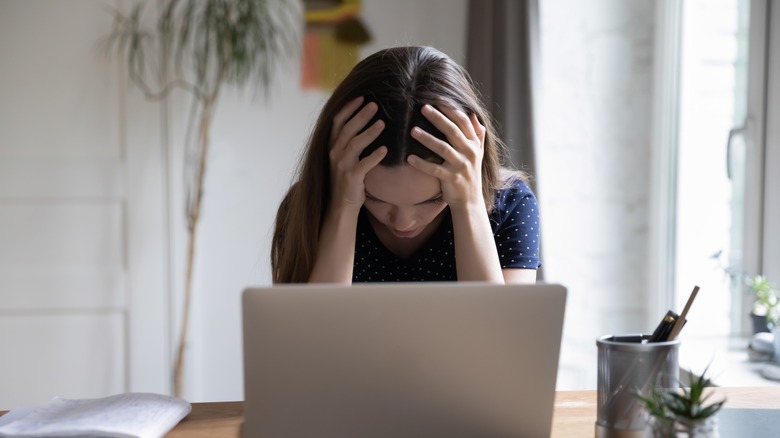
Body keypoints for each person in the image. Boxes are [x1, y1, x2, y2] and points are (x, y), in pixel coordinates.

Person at [272, 45, 540, 284]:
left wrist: (468, 206)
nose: (403, 223)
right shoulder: (306, 209)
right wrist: (344, 208)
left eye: (431, 200)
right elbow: (314, 334)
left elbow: (496, 335)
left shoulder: (511, 205)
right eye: (375, 198)